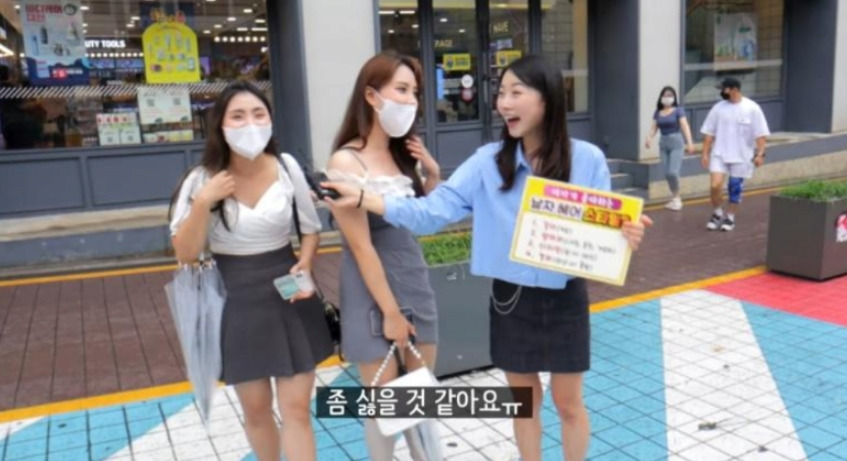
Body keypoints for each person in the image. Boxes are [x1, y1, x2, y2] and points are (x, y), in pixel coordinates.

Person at [322, 55, 651, 461]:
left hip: (566, 295)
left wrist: (624, 235)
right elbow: (430, 214)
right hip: (510, 299)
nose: (504, 103)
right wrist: (366, 197)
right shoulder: (486, 162)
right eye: (501, 93)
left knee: (568, 403)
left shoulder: (587, 159)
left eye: (516, 92)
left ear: (546, 98)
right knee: (524, 403)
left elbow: (606, 233)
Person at [168, 81, 333, 461]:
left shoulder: (286, 166)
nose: (250, 124)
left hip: (289, 294)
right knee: (256, 410)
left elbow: (310, 228)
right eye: (238, 116)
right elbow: (186, 254)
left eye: (259, 114)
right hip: (235, 300)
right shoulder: (201, 179)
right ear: (220, 126)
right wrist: (203, 202)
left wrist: (306, 261)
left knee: (296, 410)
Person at [324, 51, 442, 461]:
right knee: (385, 403)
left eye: (415, 92)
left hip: (412, 274)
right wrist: (390, 313)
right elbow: (361, 246)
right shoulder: (345, 160)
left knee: (419, 396)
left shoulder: (403, 154)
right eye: (402, 90)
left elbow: (423, 220)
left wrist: (432, 174)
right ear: (372, 96)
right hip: (369, 288)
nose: (411, 101)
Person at [701, 77, 770, 231]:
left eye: (724, 89)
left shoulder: (752, 108)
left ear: (734, 90)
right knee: (715, 185)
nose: (722, 92)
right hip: (719, 153)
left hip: (742, 156)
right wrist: (705, 153)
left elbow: (761, 135)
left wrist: (760, 154)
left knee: (734, 188)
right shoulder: (718, 108)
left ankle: (730, 217)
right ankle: (717, 212)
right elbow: (709, 133)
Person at [644, 86, 695, 211]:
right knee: (667, 173)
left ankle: (677, 198)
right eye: (665, 95)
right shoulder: (658, 112)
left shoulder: (678, 110)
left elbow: (685, 126)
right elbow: (654, 128)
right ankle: (674, 197)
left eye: (670, 95)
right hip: (663, 142)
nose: (667, 98)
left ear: (674, 97)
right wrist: (649, 137)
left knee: (673, 172)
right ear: (661, 97)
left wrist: (690, 142)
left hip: (676, 142)